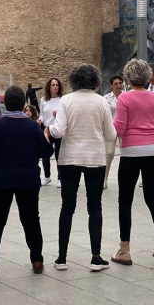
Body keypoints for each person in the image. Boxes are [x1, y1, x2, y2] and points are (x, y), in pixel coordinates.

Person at [0, 86, 54, 278]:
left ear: (6, 104)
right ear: (23, 104)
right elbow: (46, 152)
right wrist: (46, 136)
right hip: (28, 180)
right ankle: (37, 260)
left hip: (0, 181)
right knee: (31, 221)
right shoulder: (32, 126)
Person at [49, 64, 117, 272]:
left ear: (73, 80)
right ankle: (96, 257)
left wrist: (49, 126)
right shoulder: (101, 102)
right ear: (95, 80)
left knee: (67, 207)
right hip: (94, 158)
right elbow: (111, 135)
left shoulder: (66, 101)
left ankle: (62, 258)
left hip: (69, 158)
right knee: (94, 207)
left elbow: (58, 132)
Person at [111, 59, 154, 265]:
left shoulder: (124, 98)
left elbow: (119, 129)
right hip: (153, 151)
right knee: (152, 197)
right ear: (147, 76)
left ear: (128, 77)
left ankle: (125, 249)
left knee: (125, 200)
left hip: (131, 151)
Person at [39, 77, 63, 187]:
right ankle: (47, 176)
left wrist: (58, 115)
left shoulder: (62, 99)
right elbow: (42, 114)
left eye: (57, 85)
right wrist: (40, 120)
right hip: (46, 129)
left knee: (59, 154)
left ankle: (60, 178)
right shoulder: (44, 100)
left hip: (57, 128)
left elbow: (66, 114)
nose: (55, 87)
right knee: (45, 154)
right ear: (49, 86)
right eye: (53, 85)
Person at [102, 74, 124, 189]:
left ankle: (125, 179)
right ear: (111, 85)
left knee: (125, 154)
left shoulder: (127, 96)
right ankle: (104, 179)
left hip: (124, 127)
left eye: (120, 83)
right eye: (116, 83)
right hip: (111, 127)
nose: (118, 85)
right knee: (109, 153)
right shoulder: (106, 98)